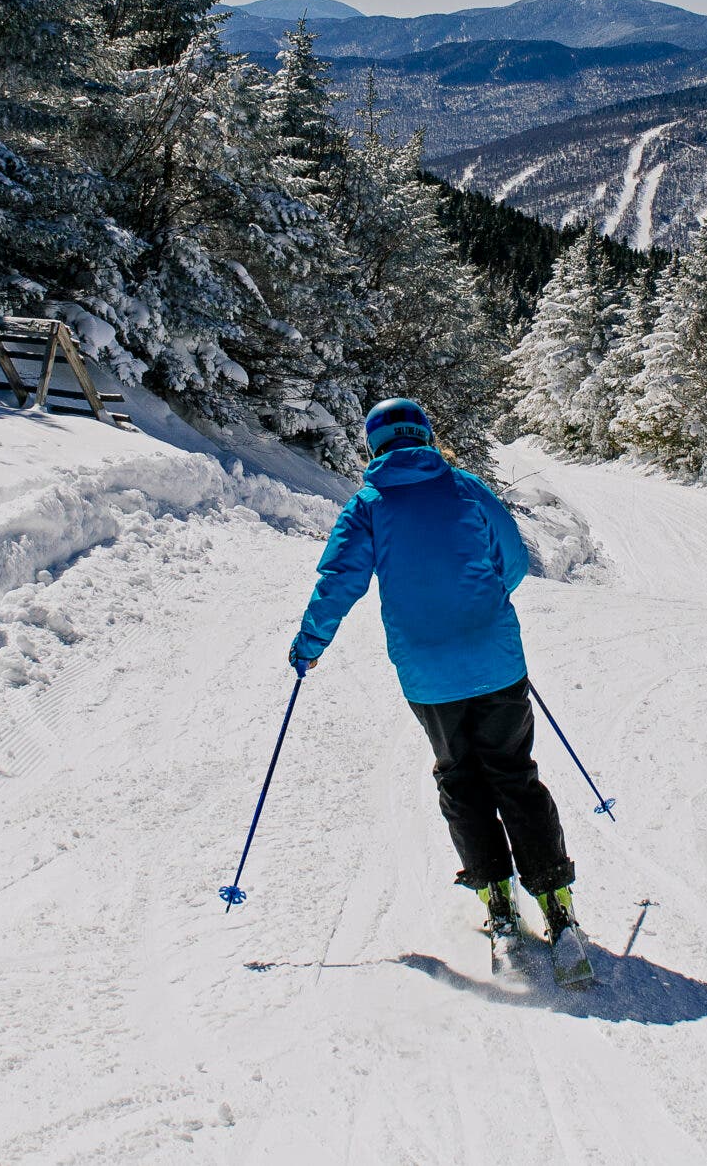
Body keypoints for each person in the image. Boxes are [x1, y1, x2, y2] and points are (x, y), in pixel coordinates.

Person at [288, 398, 591, 978]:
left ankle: (496, 897)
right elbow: (513, 559)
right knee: (514, 773)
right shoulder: (464, 486)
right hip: (495, 661)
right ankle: (556, 901)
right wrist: (480, 603)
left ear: (375, 445)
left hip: (428, 675)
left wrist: (310, 644)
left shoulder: (367, 506)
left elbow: (339, 581)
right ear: (425, 436)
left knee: (460, 777)